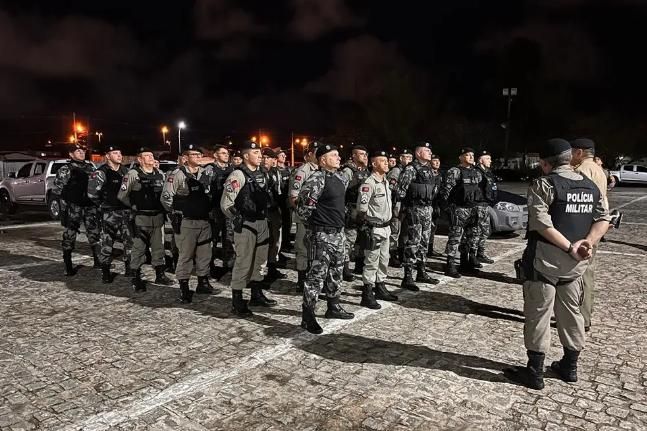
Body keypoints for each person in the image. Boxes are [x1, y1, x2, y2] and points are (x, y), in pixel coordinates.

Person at [504, 138, 609, 390]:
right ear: (569, 158)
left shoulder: (544, 184)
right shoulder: (590, 185)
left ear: (544, 163)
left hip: (545, 262)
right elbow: (604, 218)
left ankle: (534, 372)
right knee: (571, 313)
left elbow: (541, 223)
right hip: (576, 267)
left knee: (538, 314)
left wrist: (568, 246)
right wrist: (587, 243)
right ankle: (569, 366)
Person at [297, 144, 353, 334]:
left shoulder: (339, 178)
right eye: (334, 155)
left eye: (338, 155)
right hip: (322, 234)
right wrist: (315, 229)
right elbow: (303, 210)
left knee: (336, 271)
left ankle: (333, 306)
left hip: (338, 233)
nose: (339, 158)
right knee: (317, 275)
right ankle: (308, 315)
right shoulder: (316, 179)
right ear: (322, 159)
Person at [221, 140, 277, 316]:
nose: (260, 156)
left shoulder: (264, 174)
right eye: (256, 153)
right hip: (246, 224)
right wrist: (238, 220)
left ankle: (256, 293)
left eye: (260, 153)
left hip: (261, 222)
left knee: (260, 261)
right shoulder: (237, 175)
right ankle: (237, 300)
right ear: (246, 156)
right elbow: (226, 204)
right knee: (243, 262)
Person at [161, 145, 217, 303]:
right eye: (195, 154)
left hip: (204, 221)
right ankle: (184, 287)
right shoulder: (177, 174)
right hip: (186, 222)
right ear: (185, 158)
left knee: (204, 254)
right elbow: (166, 197)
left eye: (200, 154)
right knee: (185, 256)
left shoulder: (205, 174)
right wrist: (175, 213)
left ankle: (203, 283)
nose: (199, 157)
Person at [118, 147, 172, 291]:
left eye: (151, 155)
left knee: (158, 247)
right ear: (140, 160)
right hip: (141, 218)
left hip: (157, 217)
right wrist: (135, 206)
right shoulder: (133, 174)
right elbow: (122, 195)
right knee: (139, 248)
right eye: (147, 156)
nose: (151, 157)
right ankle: (136, 277)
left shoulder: (160, 174)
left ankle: (160, 274)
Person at [570, 138, 609, 333]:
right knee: (588, 273)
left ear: (579, 152)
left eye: (572, 152)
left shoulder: (582, 170)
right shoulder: (598, 169)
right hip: (596, 227)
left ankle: (580, 318)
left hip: (584, 228)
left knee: (580, 274)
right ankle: (585, 316)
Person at [396, 142, 441, 290]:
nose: (429, 152)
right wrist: (404, 208)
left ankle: (421, 271)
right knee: (413, 242)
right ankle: (408, 276)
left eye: (430, 150)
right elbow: (401, 190)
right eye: (426, 150)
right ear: (418, 153)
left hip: (427, 208)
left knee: (424, 241)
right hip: (414, 209)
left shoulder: (429, 170)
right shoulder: (411, 169)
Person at [52, 143, 101, 276]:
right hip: (73, 206)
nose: (81, 153)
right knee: (70, 234)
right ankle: (68, 265)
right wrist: (68, 197)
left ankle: (98, 261)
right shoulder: (66, 169)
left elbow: (97, 185)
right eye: (77, 151)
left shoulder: (91, 167)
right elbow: (57, 189)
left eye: (82, 151)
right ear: (71, 154)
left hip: (89, 206)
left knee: (94, 233)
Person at [357, 150, 398, 306]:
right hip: (374, 228)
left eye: (387, 160)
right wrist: (366, 227)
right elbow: (362, 209)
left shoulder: (385, 181)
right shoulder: (369, 183)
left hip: (385, 227)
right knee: (371, 261)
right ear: (374, 164)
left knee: (383, 259)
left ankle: (380, 286)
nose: (386, 163)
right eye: (382, 160)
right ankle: (367, 292)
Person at [88, 145, 132, 283]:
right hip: (109, 213)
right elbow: (92, 193)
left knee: (129, 241)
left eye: (120, 152)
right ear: (107, 156)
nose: (119, 155)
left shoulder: (126, 171)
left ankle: (129, 269)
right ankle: (106, 271)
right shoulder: (101, 172)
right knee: (107, 243)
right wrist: (103, 205)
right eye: (115, 153)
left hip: (125, 212)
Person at [439, 147, 485, 278]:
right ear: (460, 157)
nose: (471, 157)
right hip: (459, 209)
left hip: (473, 209)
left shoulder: (476, 172)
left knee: (470, 238)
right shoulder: (455, 171)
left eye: (472, 155)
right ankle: (450, 264)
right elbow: (445, 191)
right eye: (467, 155)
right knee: (455, 237)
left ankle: (466, 263)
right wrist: (448, 208)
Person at [288, 141, 321, 292]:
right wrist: (304, 215)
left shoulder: (322, 170)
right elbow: (294, 197)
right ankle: (302, 280)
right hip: (305, 218)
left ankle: (313, 278)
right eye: (316, 153)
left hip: (319, 217)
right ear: (309, 155)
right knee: (302, 248)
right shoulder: (303, 171)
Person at [341, 144, 370, 280]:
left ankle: (359, 264)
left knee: (362, 239)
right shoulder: (348, 170)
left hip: (362, 210)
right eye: (361, 154)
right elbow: (341, 191)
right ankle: (345, 268)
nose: (364, 156)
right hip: (350, 209)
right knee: (349, 240)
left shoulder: (365, 171)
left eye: (365, 154)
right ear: (353, 155)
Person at [206, 145, 234, 278]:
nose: (226, 155)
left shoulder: (232, 169)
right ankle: (209, 265)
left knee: (228, 237)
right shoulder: (210, 169)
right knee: (213, 238)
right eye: (223, 153)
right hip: (215, 209)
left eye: (227, 153)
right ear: (215, 155)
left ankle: (228, 264)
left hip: (228, 208)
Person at [261, 148, 287, 281]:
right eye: (263, 157)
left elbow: (280, 192)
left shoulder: (276, 172)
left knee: (276, 241)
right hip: (262, 212)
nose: (265, 160)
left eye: (268, 158)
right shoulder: (257, 173)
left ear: (273, 160)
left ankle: (272, 267)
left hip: (274, 210)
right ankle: (258, 273)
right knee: (262, 242)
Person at [387, 148, 413, 267]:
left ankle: (402, 253)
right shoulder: (396, 171)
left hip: (406, 205)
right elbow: (390, 188)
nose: (408, 160)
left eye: (410, 158)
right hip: (397, 204)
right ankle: (392, 254)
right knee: (395, 230)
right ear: (401, 158)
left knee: (405, 231)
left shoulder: (410, 170)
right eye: (406, 157)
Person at [474, 150, 498, 264]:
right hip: (478, 205)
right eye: (487, 158)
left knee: (484, 231)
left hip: (486, 205)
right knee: (476, 232)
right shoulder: (477, 172)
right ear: (480, 160)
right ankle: (472, 255)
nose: (490, 160)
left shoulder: (488, 172)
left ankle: (480, 253)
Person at [275, 148, 293, 259]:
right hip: (278, 201)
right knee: (278, 225)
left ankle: (286, 242)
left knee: (288, 223)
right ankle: (279, 248)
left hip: (286, 200)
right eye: (282, 155)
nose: (284, 157)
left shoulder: (288, 170)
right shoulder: (275, 170)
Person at [427, 153, 444, 258]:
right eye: (435, 160)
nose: (437, 162)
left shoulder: (439, 175)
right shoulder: (427, 174)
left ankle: (430, 248)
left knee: (433, 228)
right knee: (425, 228)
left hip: (436, 205)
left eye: (438, 161)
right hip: (428, 204)